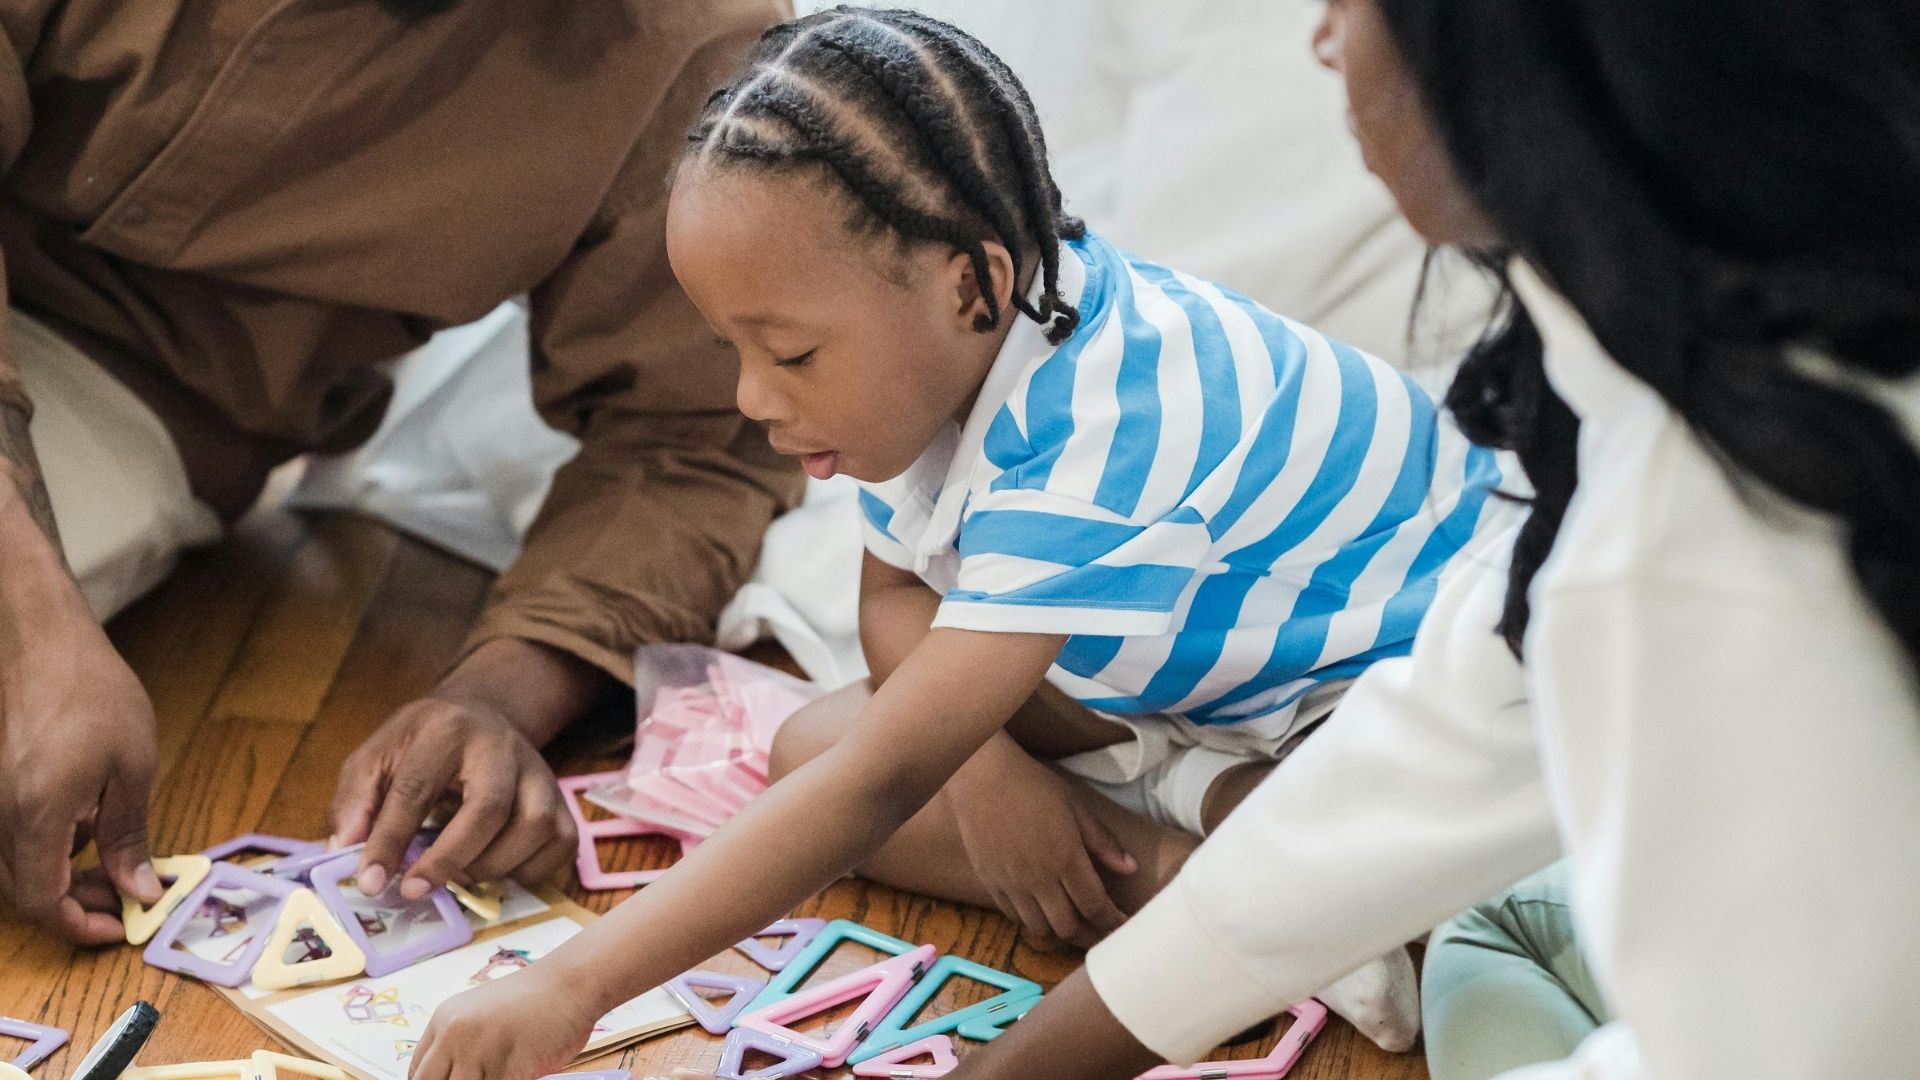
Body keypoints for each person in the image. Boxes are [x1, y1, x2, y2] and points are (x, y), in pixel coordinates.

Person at [402, 8, 1519, 1078]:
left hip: (1378, 691)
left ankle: (1285, 886)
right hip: (1194, 675)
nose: (752, 398)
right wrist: (989, 783)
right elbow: (892, 595)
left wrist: (571, 985)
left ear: (971, 283)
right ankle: (1215, 858)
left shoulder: (1104, 427)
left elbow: (887, 778)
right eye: (730, 351)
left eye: (789, 356)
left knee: (860, 774)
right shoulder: (951, 359)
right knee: (808, 750)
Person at [928, 0, 1920, 1077]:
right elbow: (1456, 722)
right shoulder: (1712, 379)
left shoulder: (1684, 545)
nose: (1322, 40)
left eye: (1353, 3)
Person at [0, 0, 802, 946]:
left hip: (145, 380)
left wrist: (491, 701)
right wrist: (32, 620)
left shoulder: (694, 36)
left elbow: (689, 436)